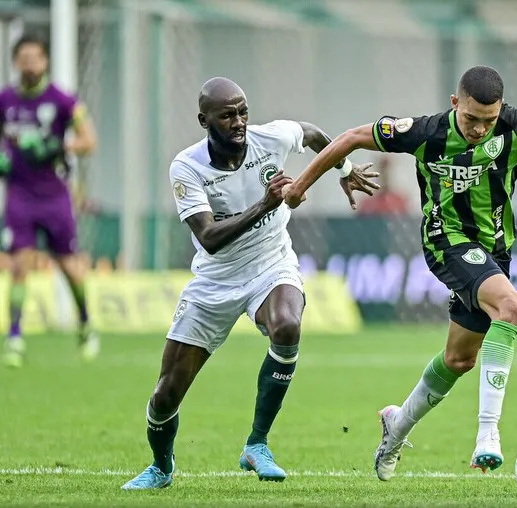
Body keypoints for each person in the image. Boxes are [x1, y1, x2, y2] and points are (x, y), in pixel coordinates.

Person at [284, 66, 517, 481]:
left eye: (488, 121)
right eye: (471, 119)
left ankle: (396, 425)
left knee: (459, 359)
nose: (479, 129)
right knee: (511, 307)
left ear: (500, 110)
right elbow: (349, 139)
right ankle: (488, 434)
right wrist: (302, 185)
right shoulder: (425, 132)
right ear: (456, 104)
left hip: (495, 250)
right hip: (445, 239)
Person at [121, 77, 378, 490]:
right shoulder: (186, 167)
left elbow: (314, 135)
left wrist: (343, 170)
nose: (239, 121)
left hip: (270, 263)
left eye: (243, 111)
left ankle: (257, 444)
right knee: (165, 394)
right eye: (227, 115)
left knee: (287, 326)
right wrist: (265, 203)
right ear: (205, 120)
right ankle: (161, 466)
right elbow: (209, 238)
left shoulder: (269, 137)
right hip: (215, 280)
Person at [0, 34, 99, 368]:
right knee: (19, 266)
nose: (29, 65)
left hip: (55, 197)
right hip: (19, 196)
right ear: (16, 62)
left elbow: (88, 140)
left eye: (34, 58)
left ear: (44, 62)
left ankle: (85, 323)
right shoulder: (5, 100)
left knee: (69, 267)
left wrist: (59, 148)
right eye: (23, 59)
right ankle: (14, 335)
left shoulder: (62, 100)